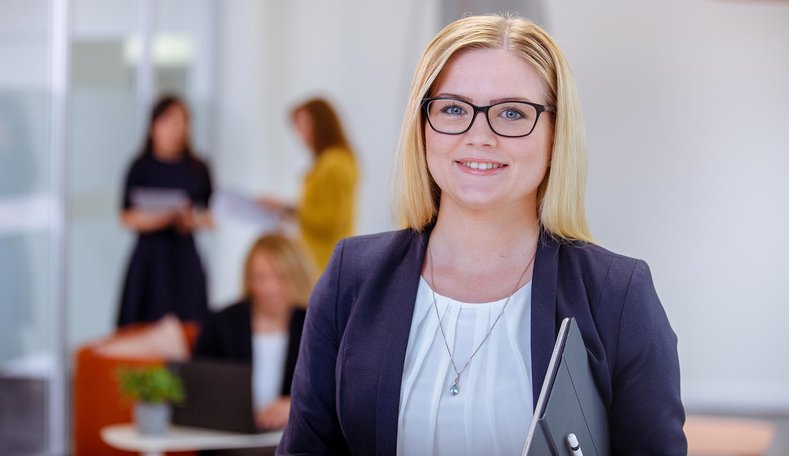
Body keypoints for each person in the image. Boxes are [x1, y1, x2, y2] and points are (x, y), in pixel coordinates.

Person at [277, 14, 686, 456]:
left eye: (512, 113)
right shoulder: (350, 279)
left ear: (555, 134)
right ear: (423, 127)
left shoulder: (617, 295)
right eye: (453, 109)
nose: (479, 135)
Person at [193, 233, 315, 431]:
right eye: (260, 277)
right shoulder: (222, 324)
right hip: (229, 436)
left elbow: (332, 390)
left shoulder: (314, 326)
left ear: (296, 276)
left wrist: (296, 405)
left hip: (292, 437)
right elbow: (200, 388)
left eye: (280, 277)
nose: (269, 288)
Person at [117, 95, 213, 327]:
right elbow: (126, 216)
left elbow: (209, 216)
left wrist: (191, 219)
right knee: (142, 323)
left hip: (183, 257)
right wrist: (158, 219)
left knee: (187, 325)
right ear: (153, 126)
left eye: (182, 122)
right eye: (168, 121)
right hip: (149, 259)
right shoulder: (140, 166)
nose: (175, 129)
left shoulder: (198, 167)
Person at [260, 98, 358, 272]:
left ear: (320, 124)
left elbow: (330, 220)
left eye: (304, 126)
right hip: (317, 258)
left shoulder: (335, 164)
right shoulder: (329, 161)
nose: (300, 135)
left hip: (324, 260)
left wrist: (287, 209)